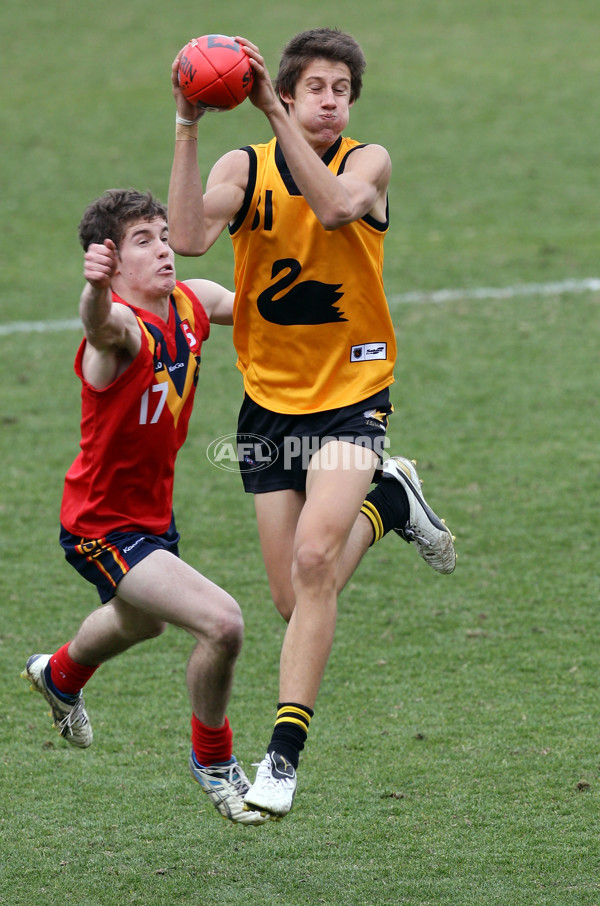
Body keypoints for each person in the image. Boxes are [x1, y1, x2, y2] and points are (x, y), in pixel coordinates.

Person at [168, 29, 456, 820]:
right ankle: (392, 503)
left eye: (342, 89)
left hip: (354, 390)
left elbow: (332, 210)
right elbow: (188, 236)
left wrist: (266, 109)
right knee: (297, 601)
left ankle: (282, 758)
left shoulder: (369, 162)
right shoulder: (243, 167)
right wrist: (189, 124)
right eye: (315, 88)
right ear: (289, 94)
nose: (331, 100)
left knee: (316, 555)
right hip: (268, 402)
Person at [20, 188, 268, 826]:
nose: (163, 249)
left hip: (152, 516)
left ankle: (62, 676)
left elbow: (253, 309)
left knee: (141, 623)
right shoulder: (120, 335)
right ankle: (213, 760)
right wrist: (96, 290)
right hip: (102, 526)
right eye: (143, 241)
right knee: (223, 624)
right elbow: (98, 325)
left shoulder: (189, 302)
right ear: (111, 260)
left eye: (163, 235)